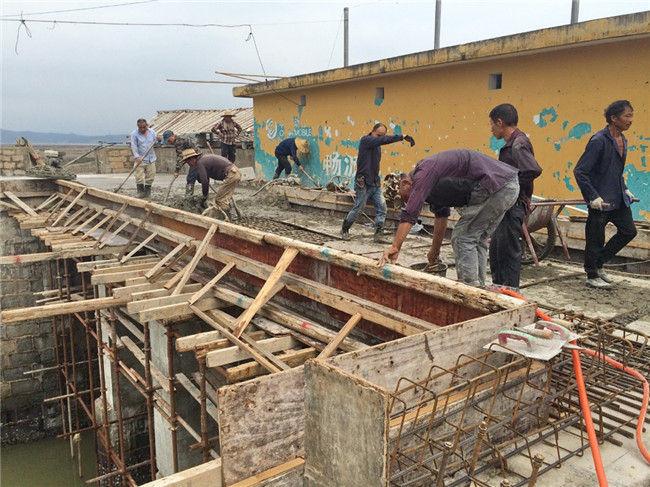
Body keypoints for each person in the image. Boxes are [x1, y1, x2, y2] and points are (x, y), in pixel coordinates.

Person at [378, 149, 519, 288]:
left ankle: (469, 291)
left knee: (463, 237)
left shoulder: (424, 172)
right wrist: (435, 251)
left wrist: (395, 247)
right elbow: (441, 215)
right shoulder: (430, 186)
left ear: (405, 183)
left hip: (497, 185)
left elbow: (410, 214)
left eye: (404, 197)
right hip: (507, 185)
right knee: (478, 238)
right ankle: (480, 289)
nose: (407, 202)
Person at [573, 100, 638, 289]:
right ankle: (591, 275)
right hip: (600, 200)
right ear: (613, 118)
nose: (631, 120)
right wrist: (593, 196)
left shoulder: (623, 140)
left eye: (631, 115)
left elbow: (616, 170)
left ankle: (598, 263)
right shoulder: (598, 140)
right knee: (595, 238)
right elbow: (580, 171)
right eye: (627, 116)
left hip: (617, 198)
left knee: (629, 231)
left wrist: (625, 188)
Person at [488, 103, 543, 290]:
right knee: (497, 249)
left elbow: (533, 169)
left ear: (500, 122)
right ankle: (498, 287)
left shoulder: (518, 144)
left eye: (492, 125)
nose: (491, 129)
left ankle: (511, 291)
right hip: (506, 206)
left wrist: (512, 187)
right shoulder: (512, 144)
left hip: (514, 206)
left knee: (509, 249)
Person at [340, 123, 415, 242]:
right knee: (359, 207)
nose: (380, 138)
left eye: (382, 136)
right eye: (379, 135)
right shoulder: (366, 140)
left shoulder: (377, 146)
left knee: (382, 208)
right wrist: (401, 137)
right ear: (372, 131)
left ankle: (378, 235)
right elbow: (384, 140)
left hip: (375, 183)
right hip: (363, 182)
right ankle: (345, 229)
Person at [180, 149, 242, 219]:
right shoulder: (204, 160)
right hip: (235, 172)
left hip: (231, 174)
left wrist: (205, 195)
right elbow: (205, 178)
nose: (189, 165)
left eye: (188, 163)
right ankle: (227, 214)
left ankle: (226, 218)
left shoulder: (200, 163)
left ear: (192, 159)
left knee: (220, 200)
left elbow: (205, 181)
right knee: (224, 197)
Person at [165, 130, 202, 196]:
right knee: (200, 177)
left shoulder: (179, 141)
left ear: (172, 135)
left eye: (168, 139)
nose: (168, 142)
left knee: (191, 177)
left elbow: (180, 157)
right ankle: (204, 190)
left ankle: (188, 196)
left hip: (195, 158)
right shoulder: (179, 139)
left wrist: (177, 170)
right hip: (194, 157)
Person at [130, 119, 159, 198]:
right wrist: (137, 157)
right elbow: (134, 146)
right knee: (138, 176)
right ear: (138, 126)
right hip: (141, 158)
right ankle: (140, 192)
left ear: (147, 125)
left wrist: (158, 140)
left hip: (151, 158)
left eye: (144, 127)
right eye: (140, 128)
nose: (142, 129)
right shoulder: (134, 134)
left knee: (151, 176)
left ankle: (147, 193)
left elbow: (157, 142)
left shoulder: (152, 132)